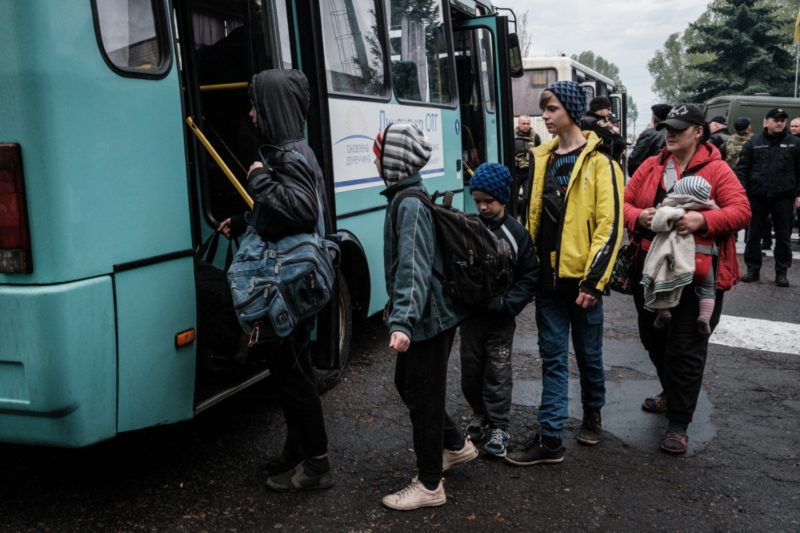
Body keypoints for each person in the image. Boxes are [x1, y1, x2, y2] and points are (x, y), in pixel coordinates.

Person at [216, 70, 334, 491]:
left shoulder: (289, 154)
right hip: (292, 280)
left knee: (294, 373)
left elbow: (300, 210)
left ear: (272, 108)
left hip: (289, 281)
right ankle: (297, 448)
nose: (251, 113)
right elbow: (286, 211)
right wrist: (246, 219)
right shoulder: (290, 151)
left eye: (256, 105)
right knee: (287, 369)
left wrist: (256, 175)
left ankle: (317, 463)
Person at [505, 81, 624, 466]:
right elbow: (532, 217)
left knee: (588, 355)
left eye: (551, 108)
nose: (545, 116)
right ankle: (551, 437)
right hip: (548, 282)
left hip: (582, 282)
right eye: (544, 109)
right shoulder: (542, 158)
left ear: (571, 111)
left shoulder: (601, 163)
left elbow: (610, 225)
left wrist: (594, 281)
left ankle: (592, 412)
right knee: (552, 358)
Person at [624, 104, 750, 455]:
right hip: (651, 270)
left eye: (679, 128)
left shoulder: (718, 170)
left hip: (698, 274)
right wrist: (640, 216)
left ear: (698, 132)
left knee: (686, 348)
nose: (670, 133)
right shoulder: (652, 165)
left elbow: (742, 211)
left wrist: (702, 222)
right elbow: (625, 203)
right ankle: (671, 390)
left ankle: (679, 423)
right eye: (668, 127)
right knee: (652, 337)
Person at [375, 122, 477, 511]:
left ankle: (430, 484)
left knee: (425, 396)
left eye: (380, 152)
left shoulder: (410, 204)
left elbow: (413, 268)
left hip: (427, 321)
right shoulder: (405, 198)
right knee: (410, 385)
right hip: (429, 316)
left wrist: (402, 321)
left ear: (395, 161)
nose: (375, 158)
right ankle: (454, 445)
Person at [459, 163, 539, 458]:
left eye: (488, 201)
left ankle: (499, 425)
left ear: (503, 199)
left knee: (498, 372)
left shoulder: (516, 234)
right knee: (471, 371)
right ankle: (479, 414)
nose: (482, 207)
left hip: (501, 320)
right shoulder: (468, 226)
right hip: (471, 319)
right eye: (477, 200)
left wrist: (508, 303)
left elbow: (531, 275)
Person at [641, 176, 719, 336]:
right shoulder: (711, 211)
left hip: (677, 259)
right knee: (707, 288)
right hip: (703, 259)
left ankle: (664, 313)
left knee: (663, 283)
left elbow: (656, 223)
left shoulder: (672, 209)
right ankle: (704, 317)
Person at [735, 107, 800, 287]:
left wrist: (798, 194)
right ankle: (752, 270)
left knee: (783, 236)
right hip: (757, 196)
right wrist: (742, 193)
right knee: (753, 235)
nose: (779, 123)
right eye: (775, 119)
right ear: (766, 122)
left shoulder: (795, 143)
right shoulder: (753, 142)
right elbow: (742, 170)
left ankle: (781, 273)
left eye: (782, 120)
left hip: (783, 197)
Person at [628, 104, 672, 176]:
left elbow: (634, 161)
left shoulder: (649, 135)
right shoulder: (677, 134)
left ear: (654, 119)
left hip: (650, 178)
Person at [580, 95, 626, 163]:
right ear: (599, 110)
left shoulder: (584, 120)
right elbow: (619, 143)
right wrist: (614, 131)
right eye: (608, 109)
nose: (610, 112)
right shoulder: (596, 122)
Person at [513, 115, 542, 220]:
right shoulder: (512, 136)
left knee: (527, 197)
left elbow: (540, 153)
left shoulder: (535, 137)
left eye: (528, 123)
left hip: (529, 172)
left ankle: (526, 220)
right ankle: (513, 218)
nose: (526, 126)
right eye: (523, 124)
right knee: (513, 197)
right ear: (518, 124)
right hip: (515, 171)